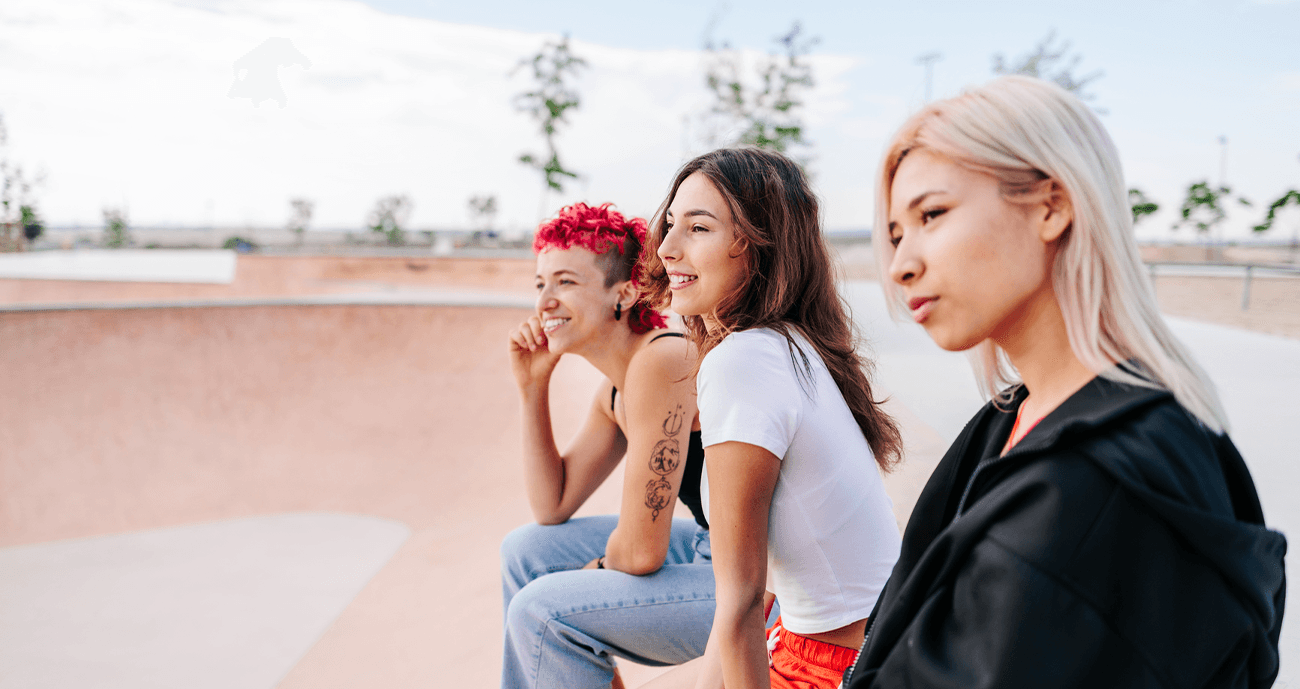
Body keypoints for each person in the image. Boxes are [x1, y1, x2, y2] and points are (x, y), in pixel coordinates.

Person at [842, 75, 1286, 688]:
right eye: (895, 234)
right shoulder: (1015, 416)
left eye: (932, 214)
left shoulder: (1089, 487)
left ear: (1053, 205)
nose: (900, 264)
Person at [636, 147, 905, 689]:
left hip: (838, 667)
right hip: (865, 639)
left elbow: (738, 600)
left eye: (698, 228)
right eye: (670, 224)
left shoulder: (744, 361)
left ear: (755, 243)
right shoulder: (794, 344)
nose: (666, 248)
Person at [500, 202, 714, 689]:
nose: (544, 302)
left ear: (625, 292)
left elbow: (641, 553)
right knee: (526, 551)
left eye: (565, 282)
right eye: (541, 284)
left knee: (541, 609)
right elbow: (551, 506)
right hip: (708, 550)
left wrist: (593, 569)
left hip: (763, 585)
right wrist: (532, 388)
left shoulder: (665, 358)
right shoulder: (615, 391)